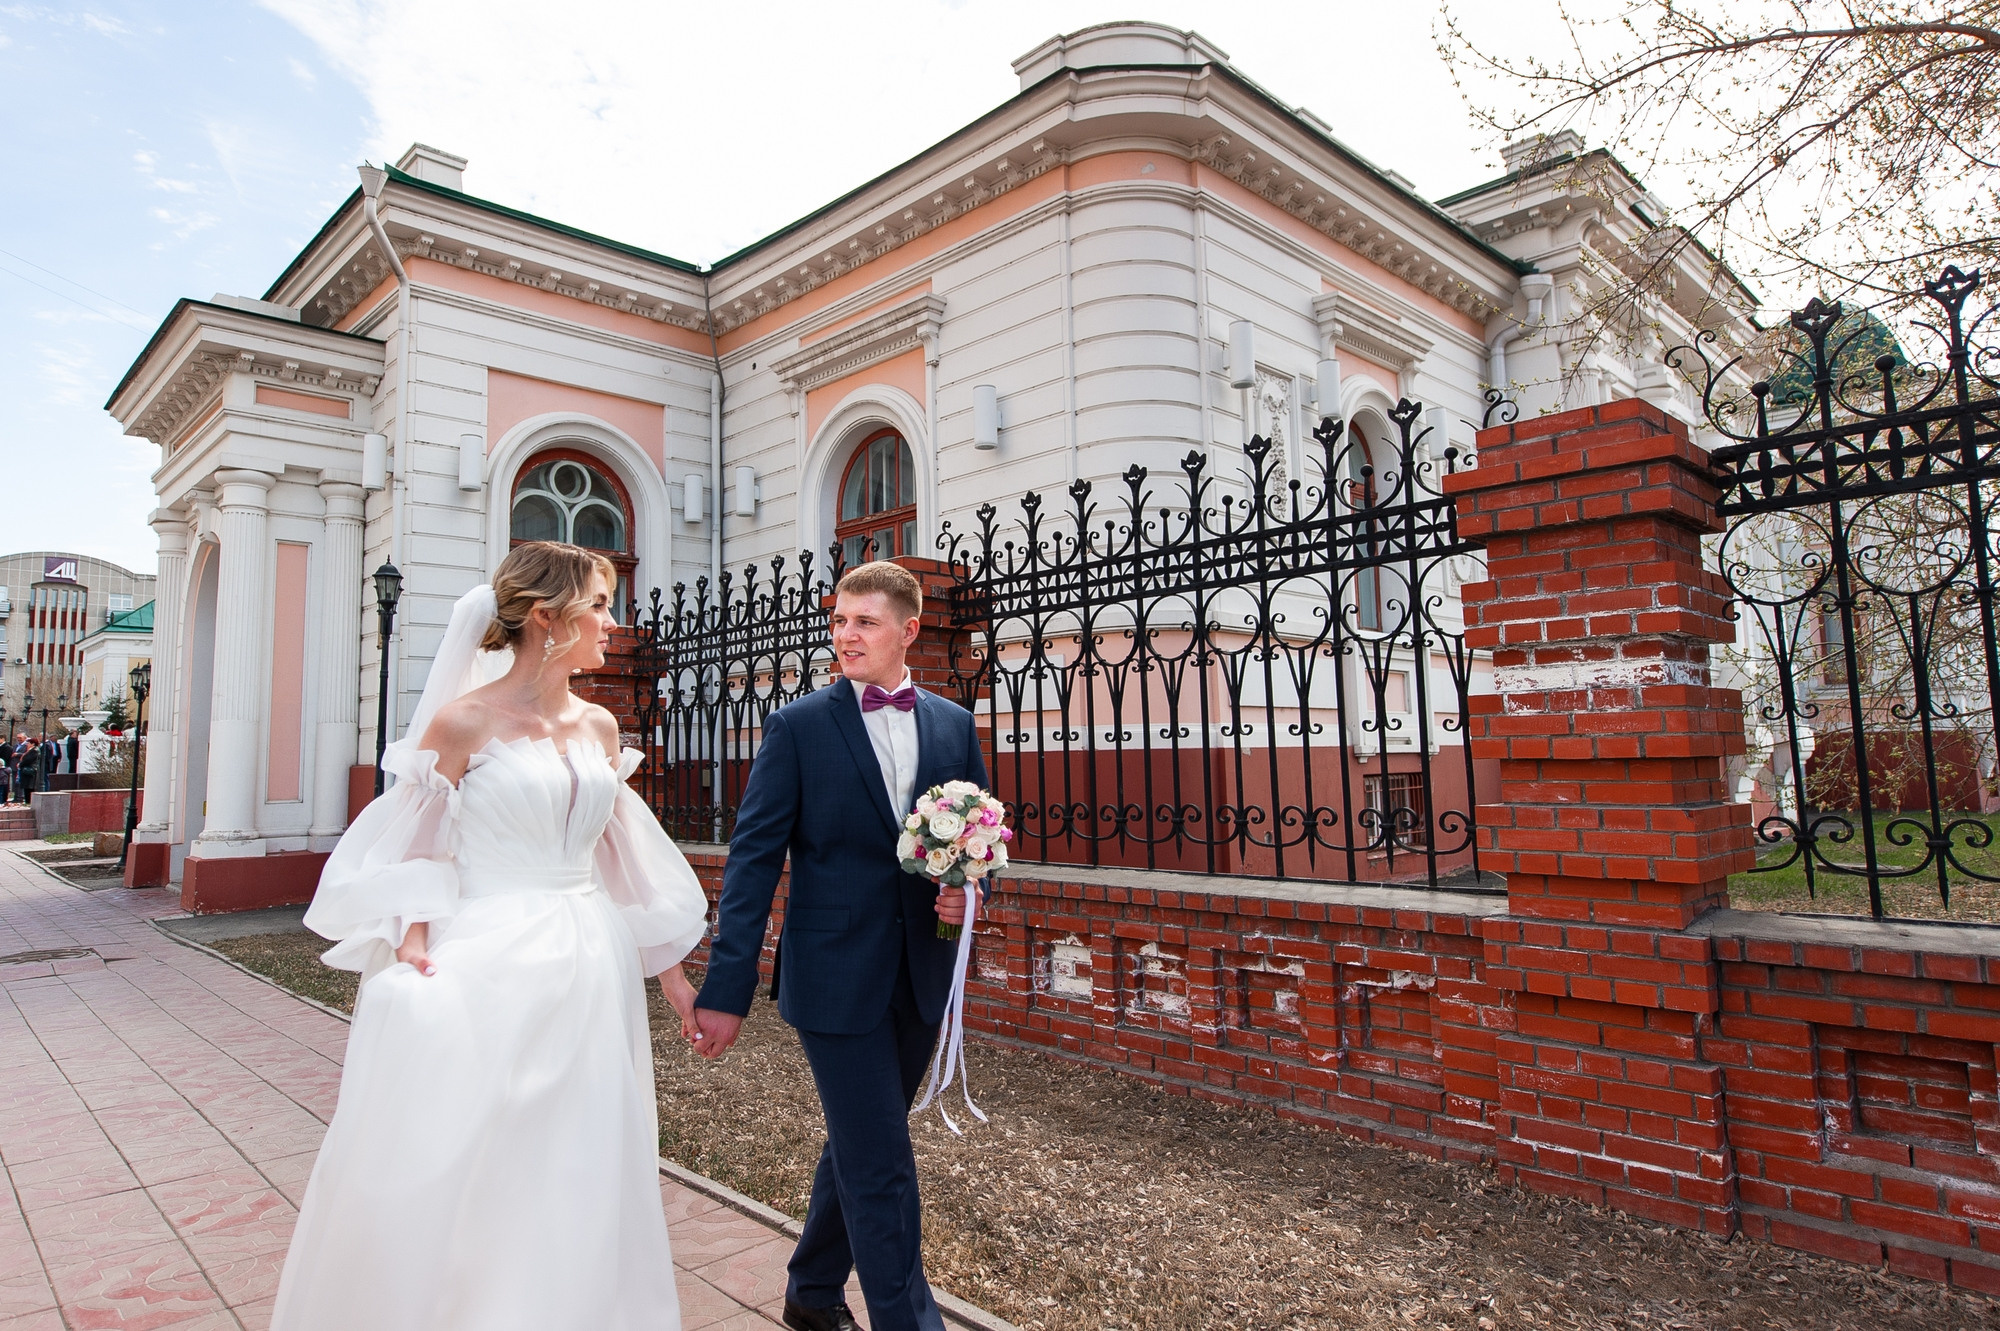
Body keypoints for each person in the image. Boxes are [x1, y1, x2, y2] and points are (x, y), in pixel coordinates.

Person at [270, 541, 708, 1331]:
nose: (615, 621)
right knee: (492, 1152)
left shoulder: (602, 726)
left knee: (586, 1155)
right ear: (547, 618)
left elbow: (624, 858)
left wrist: (673, 976)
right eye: (599, 605)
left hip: (592, 959)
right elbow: (416, 846)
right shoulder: (463, 722)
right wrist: (410, 943)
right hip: (495, 956)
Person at [692, 560, 990, 1331]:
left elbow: (977, 842)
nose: (846, 634)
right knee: (882, 1159)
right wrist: (726, 990)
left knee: (864, 1139)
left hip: (920, 971)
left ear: (909, 631)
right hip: (832, 976)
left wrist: (967, 890)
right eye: (839, 619)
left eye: (865, 620)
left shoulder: (954, 724)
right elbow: (754, 861)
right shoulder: (798, 726)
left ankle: (812, 1291)